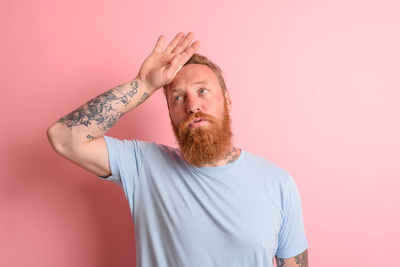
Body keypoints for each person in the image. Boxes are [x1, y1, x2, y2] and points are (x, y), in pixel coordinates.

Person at [47, 32, 309, 267]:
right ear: (171, 112)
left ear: (227, 100)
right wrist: (143, 85)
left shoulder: (278, 184)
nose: (192, 105)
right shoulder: (143, 165)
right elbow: (63, 137)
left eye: (203, 91)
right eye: (178, 97)